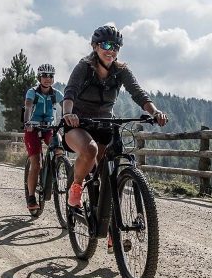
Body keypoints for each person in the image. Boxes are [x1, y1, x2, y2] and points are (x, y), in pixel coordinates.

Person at [62, 24, 168, 209]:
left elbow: (138, 93)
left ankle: (111, 224)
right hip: (79, 123)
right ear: (95, 46)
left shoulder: (121, 71)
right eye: (106, 46)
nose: (112, 51)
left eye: (116, 47)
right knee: (90, 150)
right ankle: (76, 186)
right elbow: (70, 92)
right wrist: (68, 114)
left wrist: (155, 112)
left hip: (104, 124)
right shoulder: (84, 67)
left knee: (107, 171)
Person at [23, 63, 64, 211]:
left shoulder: (56, 94)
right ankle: (32, 197)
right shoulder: (32, 92)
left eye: (50, 76)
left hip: (49, 127)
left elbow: (66, 107)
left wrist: (68, 119)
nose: (48, 79)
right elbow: (28, 107)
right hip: (32, 127)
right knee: (36, 163)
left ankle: (56, 171)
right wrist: (27, 122)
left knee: (59, 147)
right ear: (39, 77)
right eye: (44, 76)